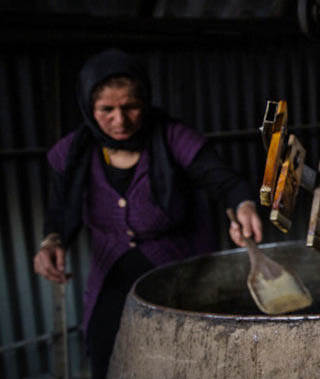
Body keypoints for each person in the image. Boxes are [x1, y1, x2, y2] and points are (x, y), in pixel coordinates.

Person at [32, 49, 264, 378]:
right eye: (106, 110)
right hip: (111, 271)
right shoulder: (71, 153)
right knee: (107, 350)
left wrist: (244, 205)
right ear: (88, 107)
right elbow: (59, 210)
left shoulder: (172, 137)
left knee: (187, 355)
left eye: (130, 107)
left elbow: (225, 182)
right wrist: (50, 241)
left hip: (181, 267)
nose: (120, 120)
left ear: (145, 100)